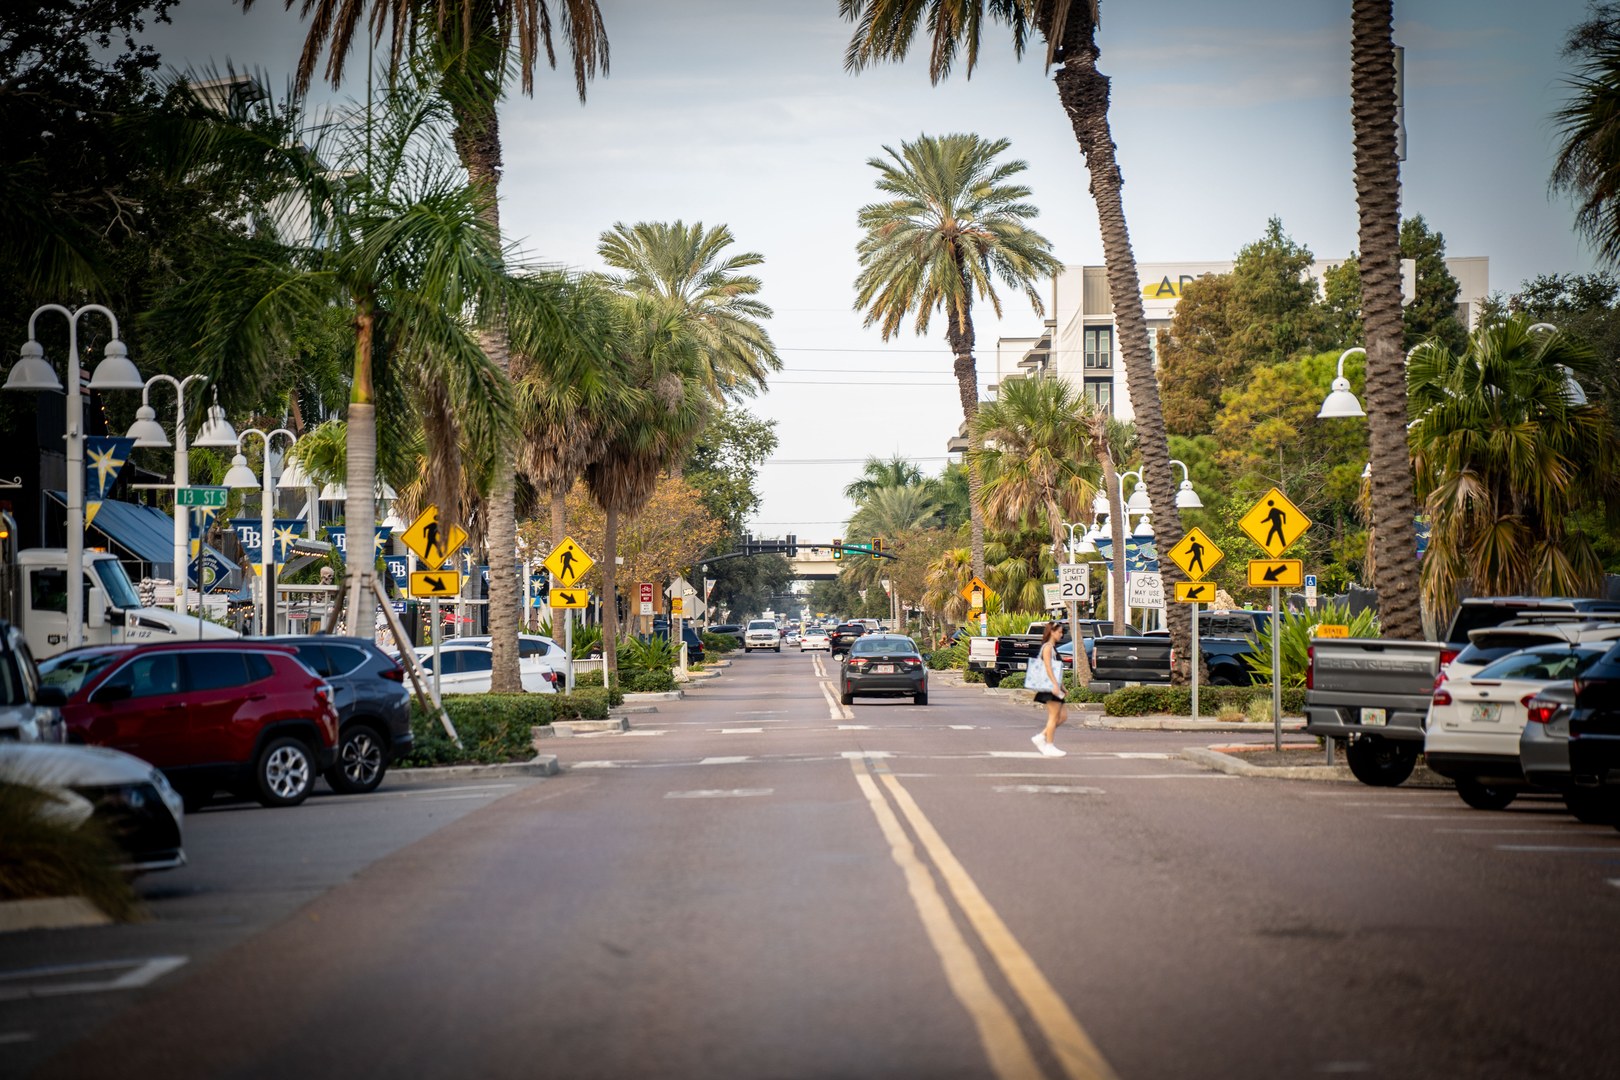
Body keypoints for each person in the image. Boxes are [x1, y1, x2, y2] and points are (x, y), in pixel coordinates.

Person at [1030, 621, 1069, 758]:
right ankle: (1049, 745)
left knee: (1063, 716)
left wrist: (1062, 686)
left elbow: (1056, 669)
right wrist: (1055, 685)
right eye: (1059, 632)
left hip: (1055, 686)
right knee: (1053, 717)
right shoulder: (1047, 647)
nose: (1061, 635)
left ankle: (1041, 737)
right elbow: (1048, 667)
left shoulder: (1052, 648)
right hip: (1050, 687)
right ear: (1052, 632)